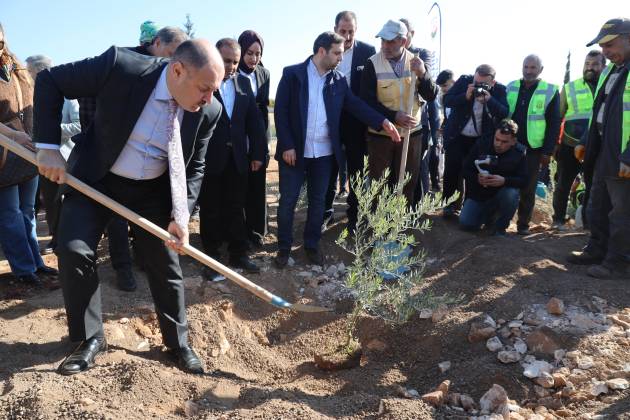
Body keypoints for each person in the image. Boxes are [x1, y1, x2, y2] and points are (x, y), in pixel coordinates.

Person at [33, 40, 224, 375]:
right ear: (177, 70)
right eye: (204, 88)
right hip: (97, 179)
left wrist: (181, 215)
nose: (209, 97)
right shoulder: (121, 67)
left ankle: (178, 343)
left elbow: (195, 167)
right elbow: (50, 81)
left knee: (165, 262)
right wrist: (47, 147)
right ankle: (87, 339)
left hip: (153, 190)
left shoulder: (208, 111)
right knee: (73, 250)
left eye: (214, 90)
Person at [273, 31, 400, 268]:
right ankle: (283, 248)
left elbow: (356, 105)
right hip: (295, 153)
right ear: (322, 51)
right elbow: (281, 112)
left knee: (318, 202)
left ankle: (311, 245)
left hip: (324, 155)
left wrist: (382, 121)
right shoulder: (292, 75)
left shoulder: (338, 80)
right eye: (337, 53)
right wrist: (288, 144)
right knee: (288, 201)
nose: (341, 58)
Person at [198, 38, 266, 280]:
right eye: (227, 60)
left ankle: (238, 253)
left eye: (235, 62)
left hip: (238, 158)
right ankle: (212, 259)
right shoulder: (202, 82)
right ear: (215, 57)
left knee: (236, 207)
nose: (231, 66)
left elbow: (255, 123)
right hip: (209, 160)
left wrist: (258, 153)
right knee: (210, 209)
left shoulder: (245, 84)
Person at [568, 18, 630, 279]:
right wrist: (585, 141)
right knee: (597, 205)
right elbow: (598, 113)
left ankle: (618, 263)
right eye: (602, 46)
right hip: (603, 150)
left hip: (624, 154)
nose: (605, 51)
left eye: (610, 44)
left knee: (621, 212)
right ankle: (596, 249)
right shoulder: (610, 71)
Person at [0, 24, 57, 286]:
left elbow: (32, 105)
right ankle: (24, 269)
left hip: (28, 147)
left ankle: (36, 262)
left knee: (28, 210)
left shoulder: (18, 67)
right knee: (10, 214)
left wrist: (35, 137)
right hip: (4, 152)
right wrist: (13, 135)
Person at [360, 20, 438, 205]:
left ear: (403, 42)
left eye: (390, 41)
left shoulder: (416, 62)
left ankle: (399, 226)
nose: (385, 46)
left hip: (412, 135)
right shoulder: (372, 64)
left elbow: (432, 95)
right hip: (381, 135)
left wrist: (422, 74)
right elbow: (367, 101)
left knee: (407, 182)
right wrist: (394, 116)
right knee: (379, 184)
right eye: (383, 41)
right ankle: (380, 228)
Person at [323, 11, 376, 232]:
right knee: (329, 170)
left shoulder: (368, 52)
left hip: (357, 122)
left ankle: (354, 216)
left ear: (357, 30)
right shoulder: (325, 50)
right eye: (342, 31)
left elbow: (371, 92)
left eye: (351, 31)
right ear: (335, 29)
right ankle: (325, 214)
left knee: (356, 172)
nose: (346, 36)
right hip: (330, 122)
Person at [26, 55, 81, 256]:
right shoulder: (31, 98)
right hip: (42, 161)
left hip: (66, 158)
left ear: (39, 72)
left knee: (70, 201)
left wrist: (50, 132)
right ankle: (56, 240)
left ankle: (75, 240)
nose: (28, 76)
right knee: (51, 201)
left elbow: (79, 125)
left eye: (29, 72)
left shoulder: (68, 99)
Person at [442, 64, 508, 217]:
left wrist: (489, 100)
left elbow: (504, 112)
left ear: (492, 82)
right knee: (452, 171)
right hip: (457, 136)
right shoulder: (464, 81)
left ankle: (468, 206)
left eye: (482, 84)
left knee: (472, 173)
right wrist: (465, 96)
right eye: (476, 81)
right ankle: (449, 205)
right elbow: (447, 100)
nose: (478, 86)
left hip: (480, 140)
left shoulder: (499, 90)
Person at [506, 54, 561, 235]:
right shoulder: (511, 87)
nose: (529, 71)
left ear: (540, 70)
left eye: (533, 68)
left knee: (528, 188)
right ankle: (501, 221)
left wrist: (547, 151)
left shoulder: (550, 91)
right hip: (510, 145)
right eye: (526, 67)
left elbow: (554, 123)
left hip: (533, 148)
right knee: (505, 184)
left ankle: (523, 225)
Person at [551, 50, 606, 229]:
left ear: (603, 66)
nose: (590, 68)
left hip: (597, 147)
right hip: (570, 145)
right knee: (563, 184)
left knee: (593, 186)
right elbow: (558, 117)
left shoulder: (609, 87)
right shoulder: (570, 88)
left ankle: (587, 224)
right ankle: (558, 220)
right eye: (587, 64)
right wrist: (555, 144)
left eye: (595, 65)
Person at [460, 119, 528, 235]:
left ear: (513, 141)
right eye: (496, 139)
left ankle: (500, 227)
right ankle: (488, 219)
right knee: (466, 223)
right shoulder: (482, 144)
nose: (498, 144)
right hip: (479, 195)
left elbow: (524, 180)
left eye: (504, 142)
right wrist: (477, 178)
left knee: (511, 193)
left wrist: (505, 181)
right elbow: (465, 169)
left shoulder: (519, 152)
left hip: (501, 196)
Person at [237, 30, 271, 248]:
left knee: (257, 186)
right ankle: (239, 232)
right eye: (249, 53)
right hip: (238, 137)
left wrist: (262, 144)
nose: (254, 58)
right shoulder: (229, 72)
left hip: (258, 136)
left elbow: (263, 108)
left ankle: (257, 231)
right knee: (239, 187)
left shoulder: (264, 74)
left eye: (258, 54)